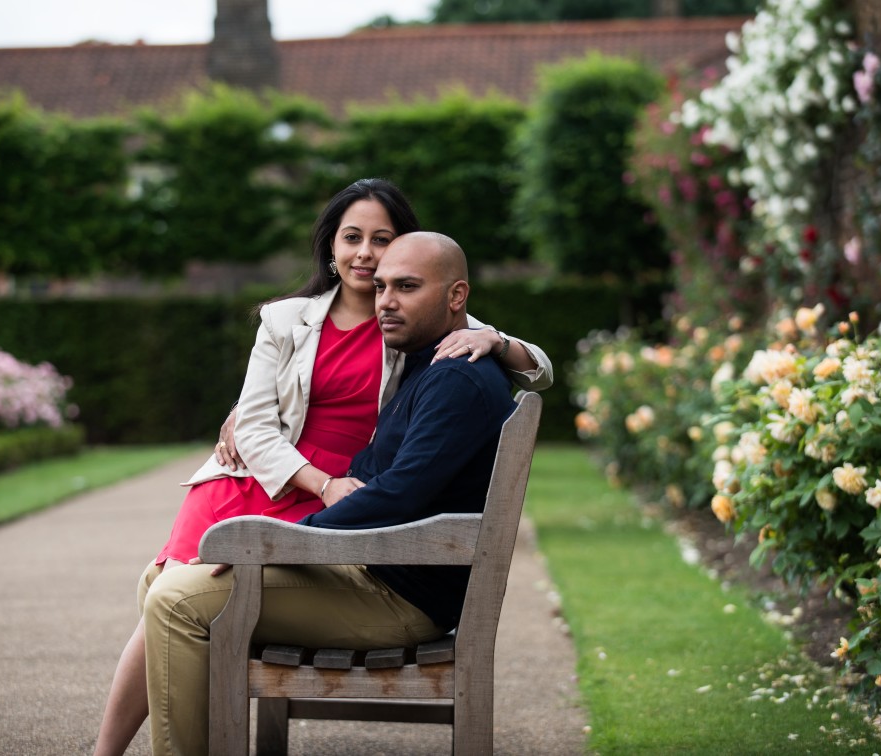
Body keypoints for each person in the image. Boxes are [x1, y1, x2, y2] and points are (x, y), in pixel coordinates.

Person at [93, 179, 553, 756]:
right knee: (163, 584)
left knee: (176, 600)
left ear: (454, 295)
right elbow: (273, 416)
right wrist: (248, 424)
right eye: (378, 276)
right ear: (332, 247)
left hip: (390, 575)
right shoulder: (414, 346)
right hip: (338, 525)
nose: (384, 291)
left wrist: (281, 542)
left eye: (398, 274)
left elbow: (398, 496)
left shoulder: (454, 362)